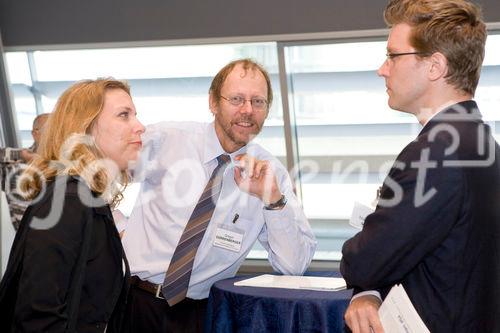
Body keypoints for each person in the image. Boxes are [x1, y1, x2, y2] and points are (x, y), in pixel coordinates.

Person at [120, 59, 316, 332]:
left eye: (258, 102)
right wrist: (117, 227)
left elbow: (294, 266)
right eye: (237, 99)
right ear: (213, 102)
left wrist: (272, 199)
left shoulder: (271, 174)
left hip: (200, 315)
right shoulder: (168, 140)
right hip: (135, 303)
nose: (247, 110)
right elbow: (97, 169)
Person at [340, 0, 500, 332]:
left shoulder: (435, 152)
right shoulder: (481, 141)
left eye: (392, 56)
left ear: (434, 66)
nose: (382, 69)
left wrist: (363, 279)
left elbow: (363, 261)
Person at [0, 78, 145, 332]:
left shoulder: (86, 197)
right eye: (124, 115)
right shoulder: (68, 200)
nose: (140, 126)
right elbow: (38, 317)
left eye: (135, 115)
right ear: (84, 130)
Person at [0, 113, 50, 229]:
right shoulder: (14, 166)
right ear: (35, 134)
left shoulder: (67, 165)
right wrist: (20, 154)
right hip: (29, 240)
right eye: (50, 129)